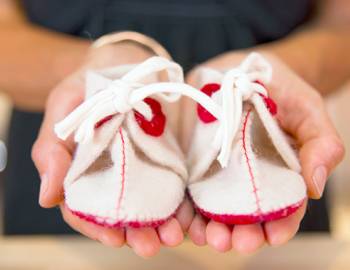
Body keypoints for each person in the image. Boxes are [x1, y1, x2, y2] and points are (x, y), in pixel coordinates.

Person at [1, 0, 348, 257]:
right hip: (75, 145)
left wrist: (274, 72)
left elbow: (342, 23)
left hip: (270, 132)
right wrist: (101, 74)